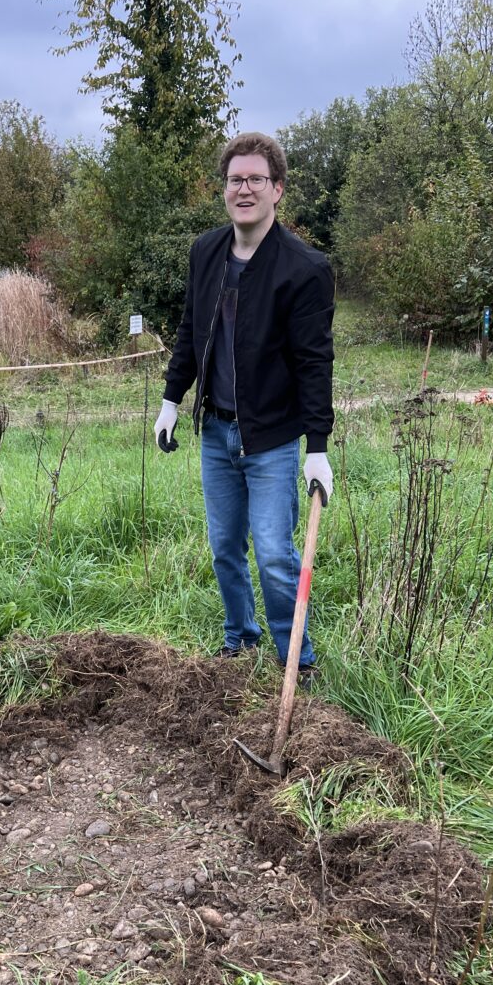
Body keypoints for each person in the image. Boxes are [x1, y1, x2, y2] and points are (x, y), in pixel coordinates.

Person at [154, 132, 334, 679]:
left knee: (277, 558)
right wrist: (171, 398)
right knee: (224, 549)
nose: (245, 188)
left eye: (257, 179)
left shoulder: (304, 269)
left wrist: (317, 448)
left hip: (273, 439)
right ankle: (240, 643)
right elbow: (190, 330)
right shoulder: (205, 252)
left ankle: (295, 663)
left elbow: (313, 362)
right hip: (216, 432)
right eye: (236, 179)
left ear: (277, 189)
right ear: (225, 190)